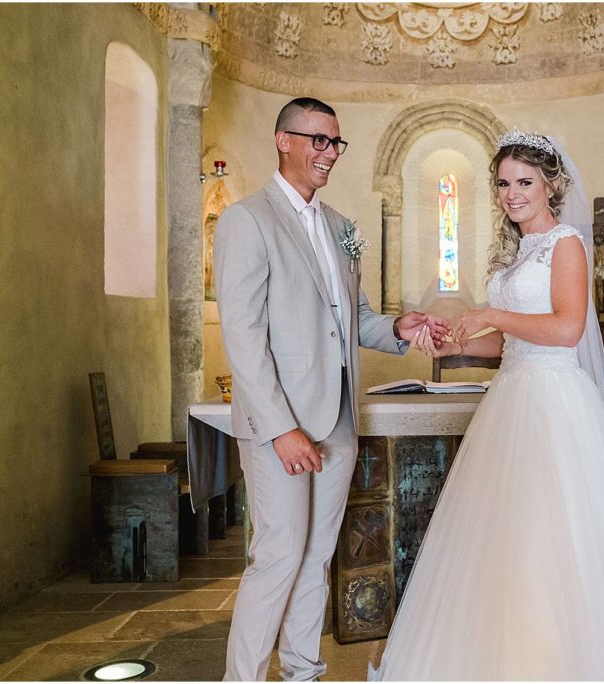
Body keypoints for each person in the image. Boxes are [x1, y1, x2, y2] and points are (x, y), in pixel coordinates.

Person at [368, 129, 604, 680]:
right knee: (502, 544)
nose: (512, 193)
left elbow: (565, 328)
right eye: (504, 183)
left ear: (552, 185)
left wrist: (491, 313)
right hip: (510, 399)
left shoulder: (566, 244)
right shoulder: (516, 255)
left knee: (549, 537)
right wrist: (456, 341)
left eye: (525, 181)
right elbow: (507, 343)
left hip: (554, 404)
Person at [215, 97, 450, 681]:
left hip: (338, 419)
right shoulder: (248, 219)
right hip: (281, 426)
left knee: (318, 556)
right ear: (283, 140)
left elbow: (356, 317)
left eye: (335, 143)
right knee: (277, 557)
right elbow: (243, 337)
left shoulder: (344, 228)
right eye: (318, 140)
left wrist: (400, 326)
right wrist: (281, 428)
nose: (329, 154)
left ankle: (302, 670)